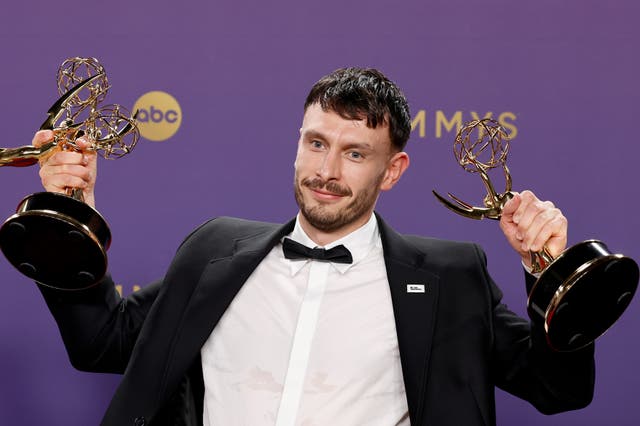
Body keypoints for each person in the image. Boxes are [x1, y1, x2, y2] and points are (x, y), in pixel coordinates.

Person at [33, 67, 594, 426]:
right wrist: (69, 208)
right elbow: (101, 344)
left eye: (354, 153)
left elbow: (557, 389)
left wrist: (550, 274)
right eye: (316, 143)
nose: (326, 171)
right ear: (297, 143)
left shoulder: (452, 277)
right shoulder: (215, 250)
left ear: (392, 170)